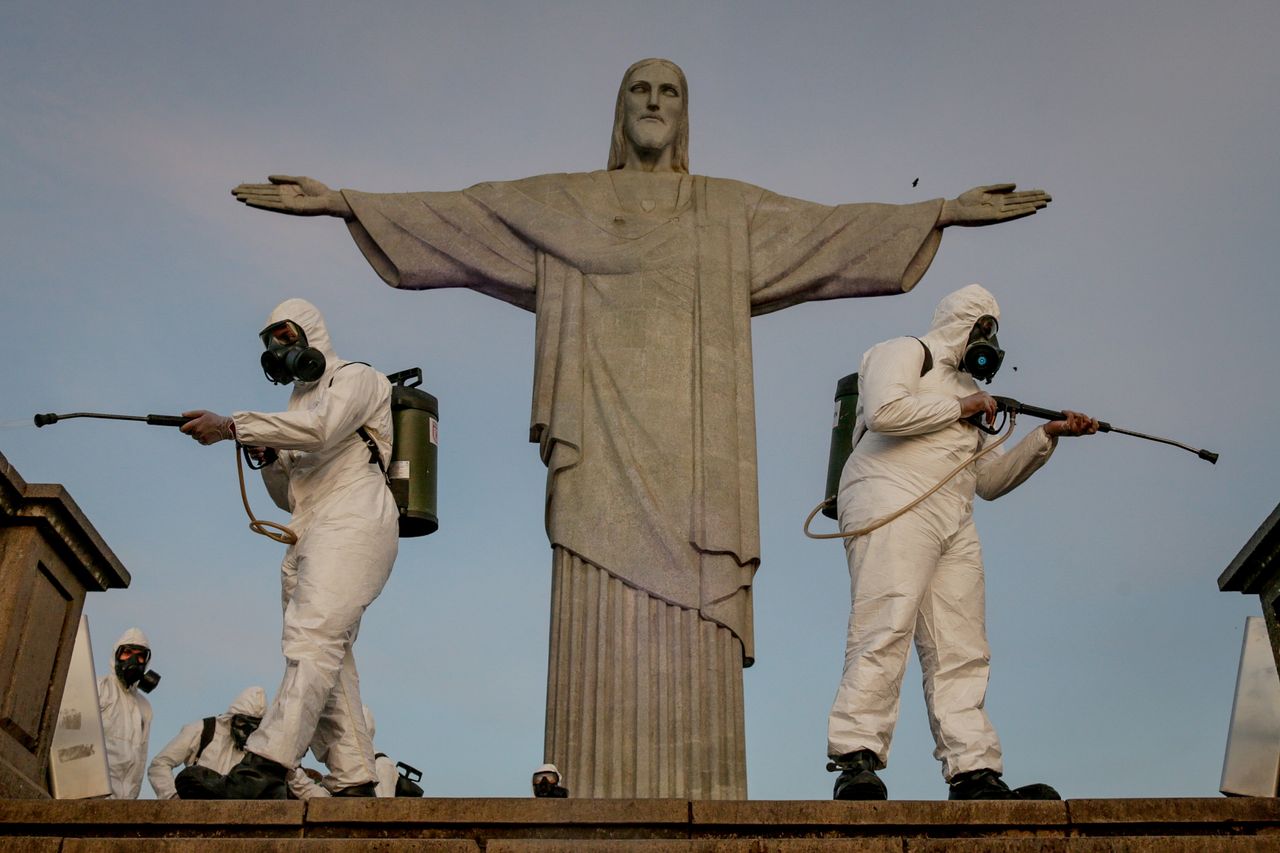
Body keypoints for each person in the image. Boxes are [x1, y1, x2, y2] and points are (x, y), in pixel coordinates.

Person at [231, 58, 1051, 798]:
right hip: (597, 444)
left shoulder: (726, 212)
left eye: (669, 92)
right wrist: (344, 202)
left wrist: (941, 213)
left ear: (684, 115)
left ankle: (951, 761)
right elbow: (467, 217)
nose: (653, 103)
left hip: (701, 454)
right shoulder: (569, 204)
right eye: (639, 91)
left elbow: (831, 230)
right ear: (619, 111)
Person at [826, 284, 1098, 801]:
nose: (989, 338)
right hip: (890, 497)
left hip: (953, 514)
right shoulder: (905, 352)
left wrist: (1047, 437)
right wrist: (960, 405)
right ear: (963, 322)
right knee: (884, 622)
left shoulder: (969, 391)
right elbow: (884, 412)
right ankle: (855, 757)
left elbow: (989, 481)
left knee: (962, 645)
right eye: (984, 325)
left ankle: (974, 770)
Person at [181, 298, 398, 799]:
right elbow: (286, 496)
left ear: (310, 332)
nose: (278, 347)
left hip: (356, 518)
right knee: (327, 657)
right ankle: (355, 778)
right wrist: (270, 457)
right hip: (308, 530)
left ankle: (262, 767)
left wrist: (235, 425)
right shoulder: (295, 408)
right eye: (270, 341)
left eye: (284, 334)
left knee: (314, 639)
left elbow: (324, 429)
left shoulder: (358, 378)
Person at [146, 686, 266, 799]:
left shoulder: (258, 748)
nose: (246, 731)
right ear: (232, 717)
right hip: (195, 812)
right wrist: (172, 797)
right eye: (242, 723)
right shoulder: (204, 730)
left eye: (254, 726)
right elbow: (160, 764)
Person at [284, 705, 400, 799]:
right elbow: (332, 806)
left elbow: (376, 813)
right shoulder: (345, 772)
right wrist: (295, 777)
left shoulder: (380, 765)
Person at [97, 627, 155, 799]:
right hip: (93, 793)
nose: (134, 660)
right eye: (128, 652)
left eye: (140, 655)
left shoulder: (144, 706)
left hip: (124, 802)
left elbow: (140, 758)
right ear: (116, 654)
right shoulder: (98, 687)